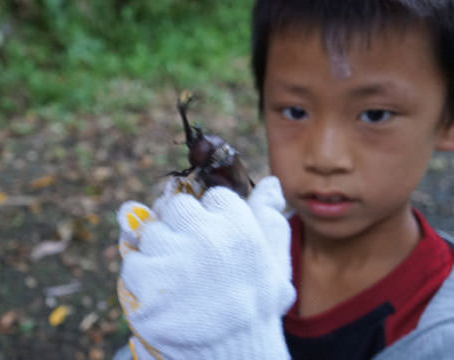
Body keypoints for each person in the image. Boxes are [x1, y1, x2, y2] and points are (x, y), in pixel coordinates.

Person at [114, 1, 454, 359]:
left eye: (375, 114)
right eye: (295, 111)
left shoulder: (442, 338)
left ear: (447, 120)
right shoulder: (230, 256)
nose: (325, 157)